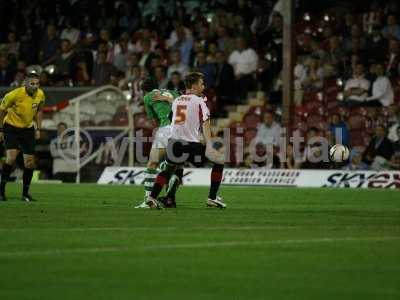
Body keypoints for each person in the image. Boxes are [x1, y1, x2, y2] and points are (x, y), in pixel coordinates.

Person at [146, 72, 226, 209]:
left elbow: (172, 118)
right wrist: (209, 145)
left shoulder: (177, 100)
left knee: (168, 169)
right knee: (219, 161)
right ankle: (212, 198)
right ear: (194, 86)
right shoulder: (200, 101)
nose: (203, 86)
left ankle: (152, 197)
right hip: (191, 145)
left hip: (174, 144)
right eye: (201, 84)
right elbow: (205, 123)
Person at [135, 79, 182, 208]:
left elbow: (154, 121)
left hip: (166, 128)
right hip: (181, 129)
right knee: (172, 164)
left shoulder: (148, 97)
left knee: (152, 162)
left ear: (144, 90)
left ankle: (148, 200)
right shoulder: (173, 92)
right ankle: (169, 194)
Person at [0, 72, 44, 201]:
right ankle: (1, 191)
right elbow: (2, 110)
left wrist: (38, 128)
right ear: (25, 83)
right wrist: (1, 130)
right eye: (32, 83)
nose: (35, 86)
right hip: (11, 128)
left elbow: (40, 110)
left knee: (29, 162)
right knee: (11, 158)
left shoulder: (40, 94)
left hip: (27, 129)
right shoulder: (14, 94)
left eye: (37, 83)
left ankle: (25, 194)